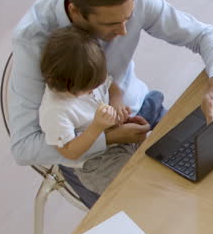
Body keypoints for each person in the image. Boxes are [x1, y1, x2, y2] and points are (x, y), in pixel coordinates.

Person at [8, 0, 213, 206]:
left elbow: (204, 35)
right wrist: (109, 137)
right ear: (75, 11)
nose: (124, 31)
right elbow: (24, 147)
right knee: (162, 208)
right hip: (89, 150)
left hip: (140, 111)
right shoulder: (32, 42)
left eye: (128, 19)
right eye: (112, 24)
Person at [38, 25, 147, 198]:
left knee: (160, 158)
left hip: (118, 139)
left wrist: (117, 103)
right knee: (137, 188)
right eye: (87, 90)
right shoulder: (55, 110)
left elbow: (111, 86)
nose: (92, 91)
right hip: (97, 162)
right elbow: (70, 151)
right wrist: (97, 126)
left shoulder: (89, 74)